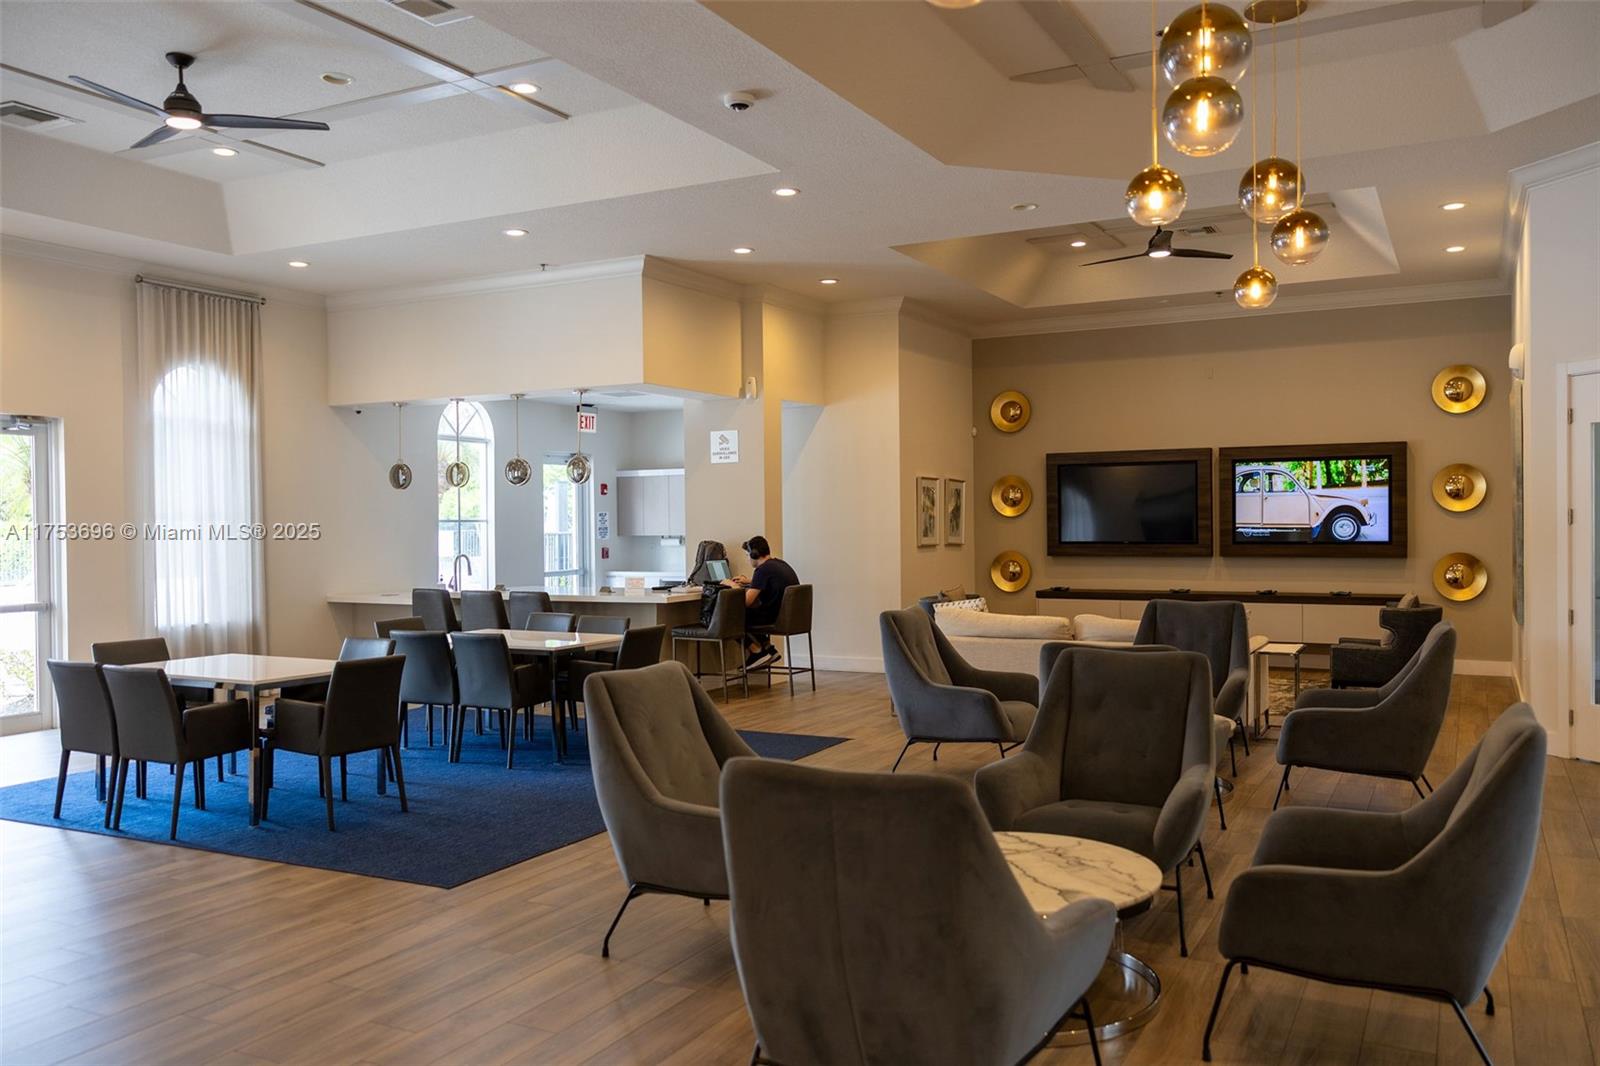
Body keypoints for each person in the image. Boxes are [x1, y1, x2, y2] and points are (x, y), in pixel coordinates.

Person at [722, 535, 798, 670]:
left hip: (774, 618)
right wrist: (751, 581)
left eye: (747, 555)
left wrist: (731, 585)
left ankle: (757, 653)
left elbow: (746, 602)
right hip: (788, 617)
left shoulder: (762, 570)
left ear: (754, 554)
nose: (747, 559)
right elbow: (773, 582)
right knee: (751, 613)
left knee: (731, 616)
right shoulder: (780, 564)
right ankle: (770, 649)